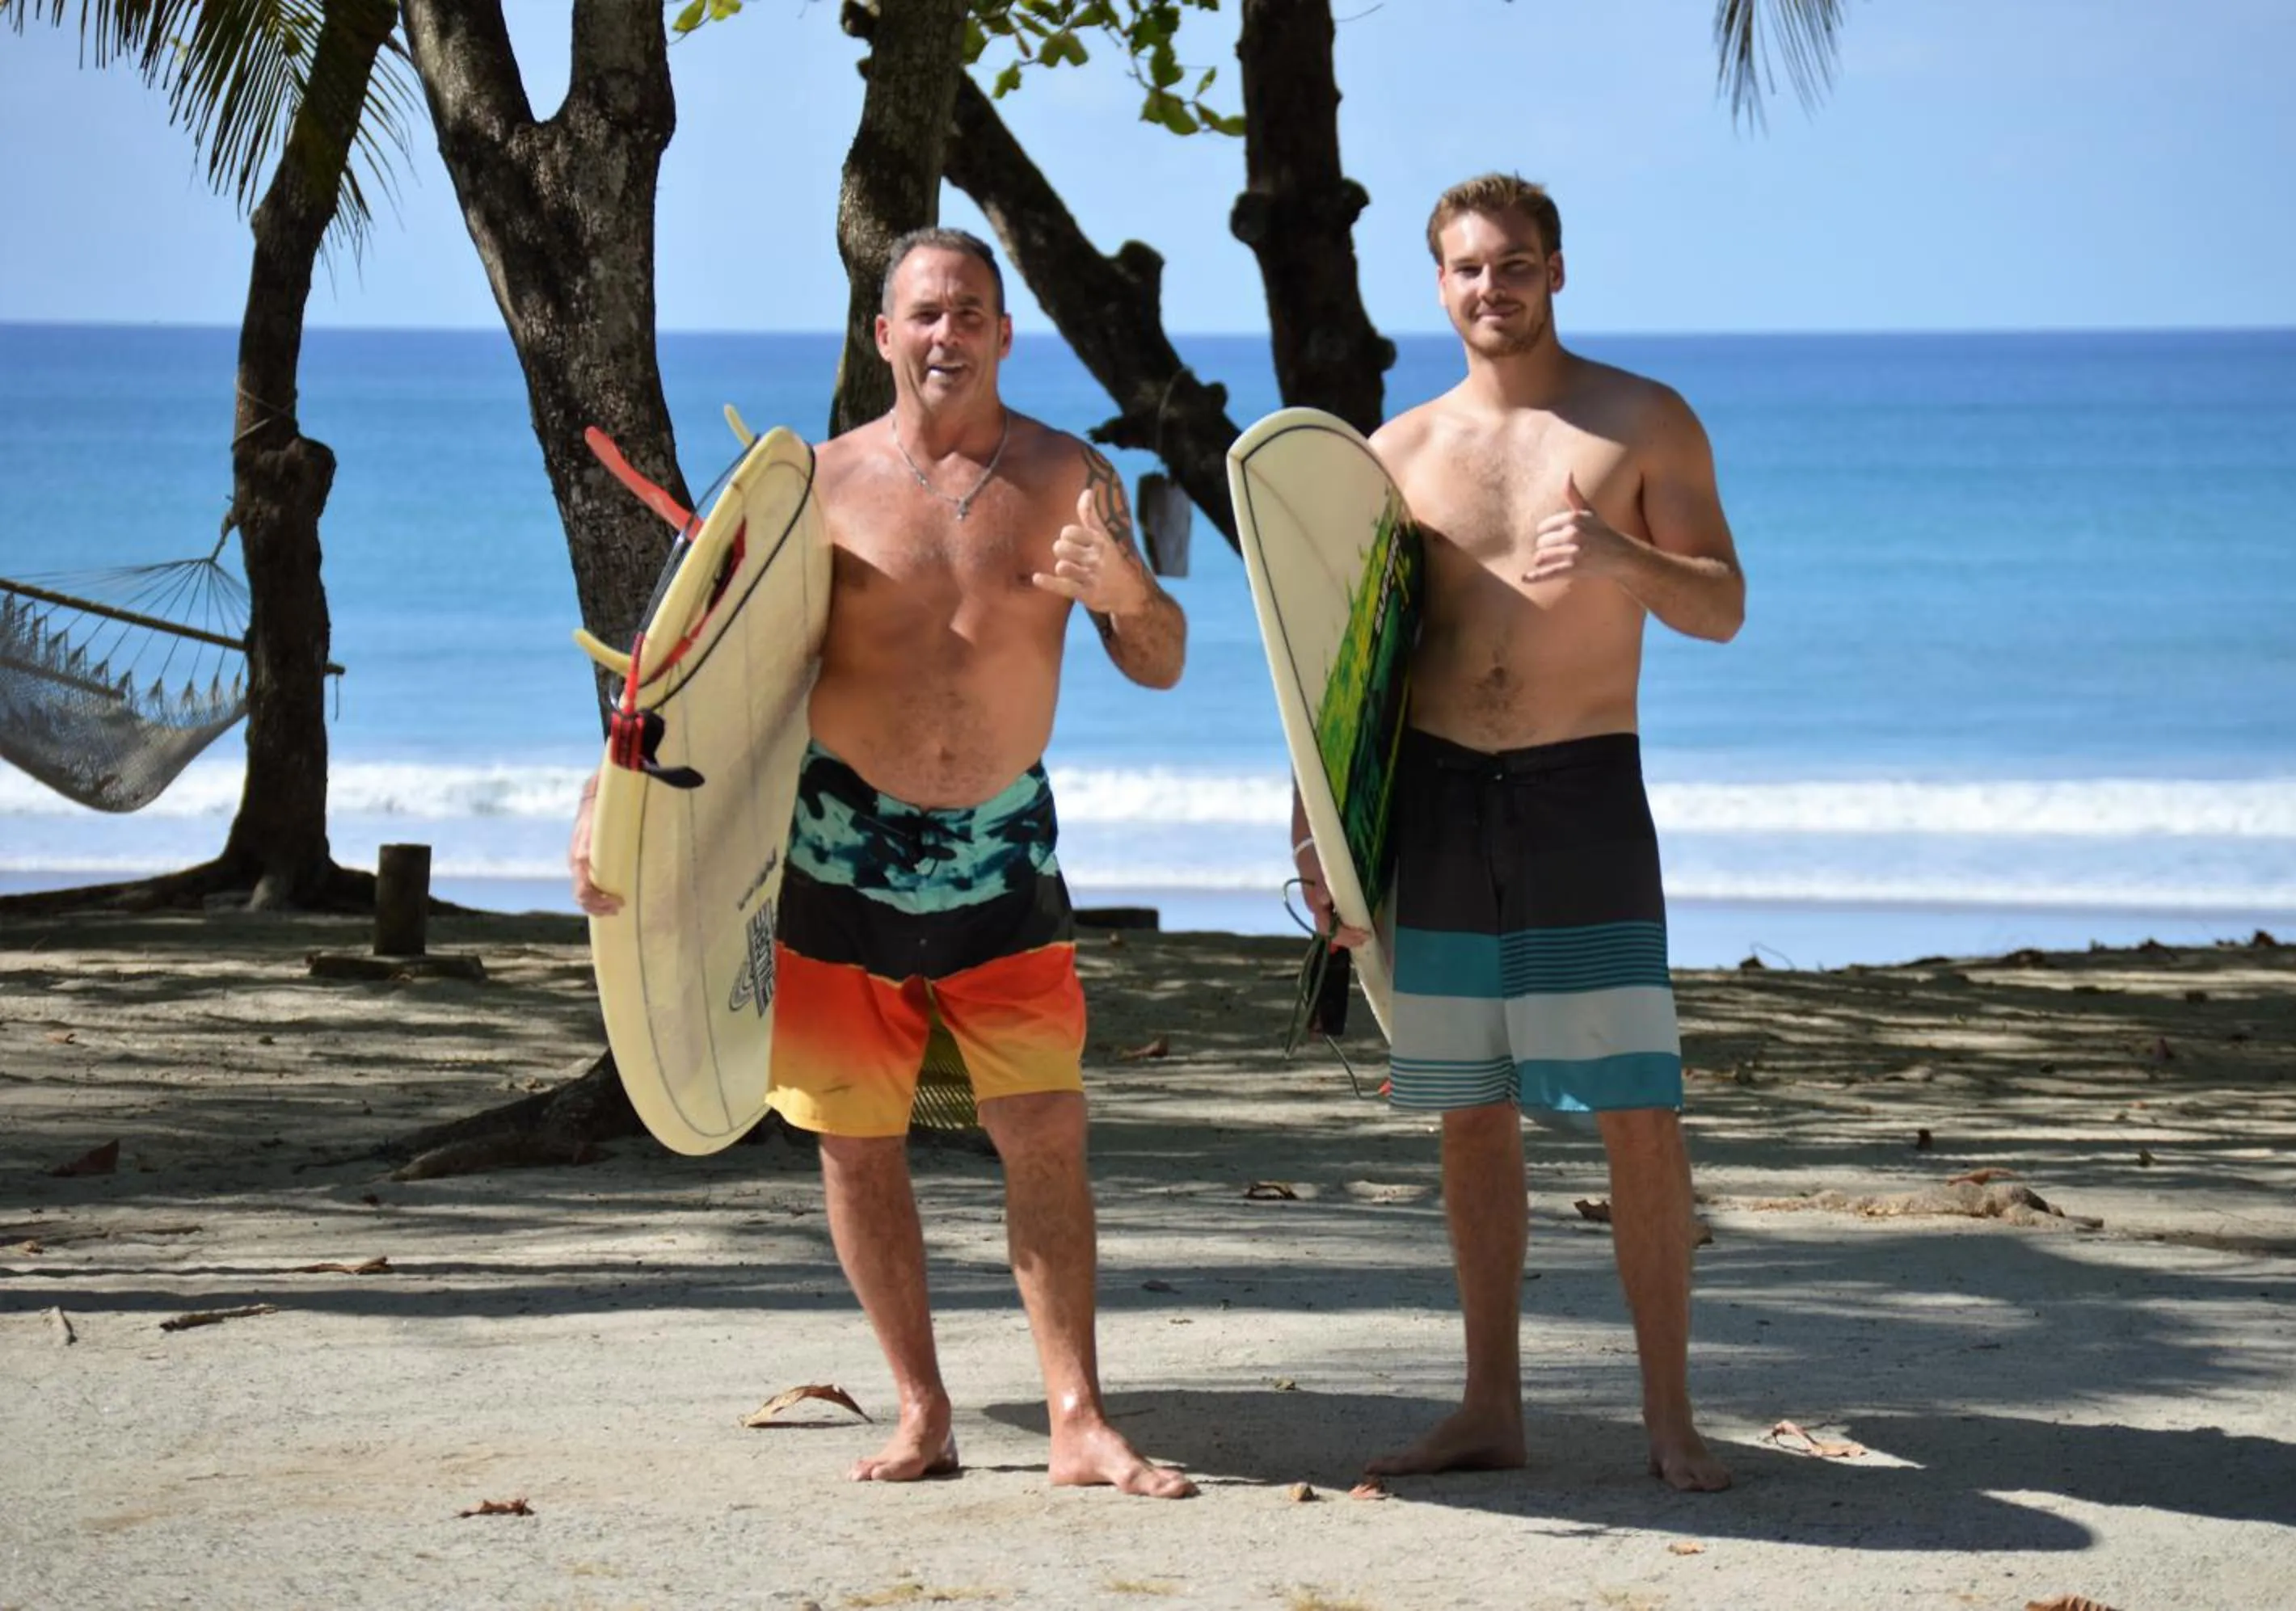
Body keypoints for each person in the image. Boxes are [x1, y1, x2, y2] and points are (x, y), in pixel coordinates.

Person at [572, 227, 1194, 1498]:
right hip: (842, 847)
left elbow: (1162, 657)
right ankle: (922, 1410)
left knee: (1044, 1129)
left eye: (971, 311)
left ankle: (1077, 1416)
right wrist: (607, 803)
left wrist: (1131, 589)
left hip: (1005, 848)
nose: (947, 333)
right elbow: (687, 670)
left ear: (1007, 334)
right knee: (856, 1142)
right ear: (883, 336)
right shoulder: (817, 488)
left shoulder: (1076, 473)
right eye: (923, 313)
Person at [1295, 174, 1744, 1491]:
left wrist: (1620, 559)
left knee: (1635, 1108)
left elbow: (1721, 605)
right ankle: (1492, 1404)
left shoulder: (1640, 421)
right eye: (1467, 268)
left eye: (1515, 264)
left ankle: (1671, 1415)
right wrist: (1319, 830)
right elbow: (1344, 668)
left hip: (1581, 790)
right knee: (1468, 1110)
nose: (1493, 288)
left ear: (1558, 269)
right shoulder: (1395, 454)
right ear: (1437, 284)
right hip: (1436, 799)